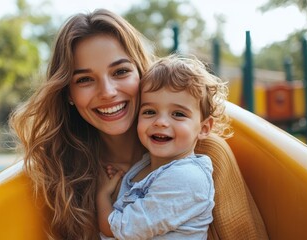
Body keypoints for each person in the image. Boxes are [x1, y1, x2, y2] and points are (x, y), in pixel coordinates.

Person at [9, 9, 153, 239]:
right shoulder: (58, 176)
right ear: (68, 93)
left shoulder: (201, 152)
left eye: (121, 71)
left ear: (142, 73)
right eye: (85, 79)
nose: (107, 92)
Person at [96, 54, 232, 239]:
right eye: (150, 111)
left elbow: (116, 228)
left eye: (178, 114)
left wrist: (102, 195)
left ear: (204, 127)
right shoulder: (146, 165)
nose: (160, 122)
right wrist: (120, 183)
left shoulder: (187, 178)